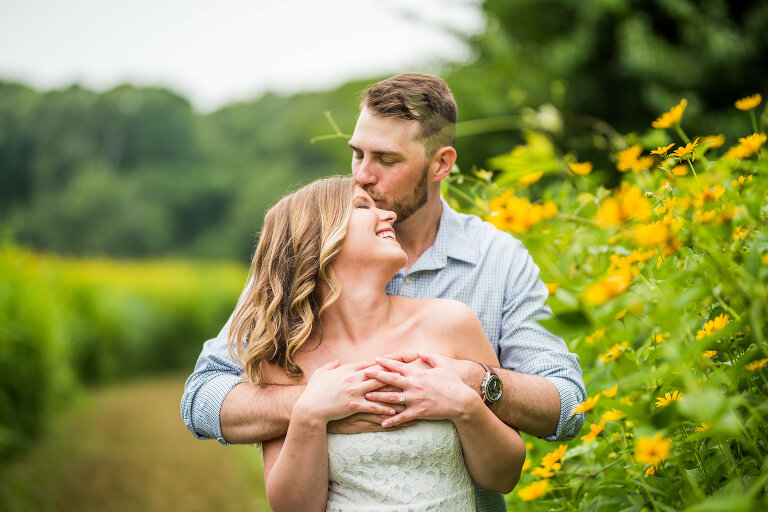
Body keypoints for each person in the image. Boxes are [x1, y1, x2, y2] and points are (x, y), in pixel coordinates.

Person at [181, 72, 586, 512]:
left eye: (386, 160)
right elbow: (203, 397)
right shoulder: (309, 264)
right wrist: (321, 404)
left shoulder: (498, 259)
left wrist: (476, 384)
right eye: (356, 154)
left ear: (440, 164)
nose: (362, 176)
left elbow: (567, 404)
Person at [230, 176, 525, 510]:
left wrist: (464, 405)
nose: (389, 216)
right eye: (361, 206)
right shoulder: (285, 357)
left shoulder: (452, 323)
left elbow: (505, 476)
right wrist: (310, 415)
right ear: (317, 236)